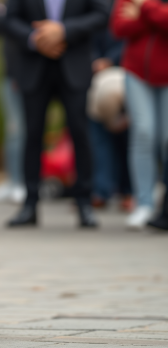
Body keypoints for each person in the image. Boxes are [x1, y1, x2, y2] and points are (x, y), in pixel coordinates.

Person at [5, 0, 109, 228]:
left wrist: (64, 30)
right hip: (33, 64)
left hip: (74, 63)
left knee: (80, 133)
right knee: (32, 135)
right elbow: (10, 19)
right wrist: (36, 38)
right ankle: (30, 203)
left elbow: (102, 14)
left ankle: (84, 203)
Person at [111, 0, 168, 230]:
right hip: (136, 73)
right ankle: (144, 202)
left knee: (166, 139)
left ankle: (163, 202)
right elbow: (119, 28)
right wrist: (156, 17)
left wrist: (143, 8)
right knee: (143, 133)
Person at [87, 18, 132, 212]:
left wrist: (110, 60)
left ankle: (129, 191)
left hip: (127, 75)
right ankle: (101, 189)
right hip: (96, 83)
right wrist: (96, 60)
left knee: (129, 142)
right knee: (98, 140)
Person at [0, 4, 26, 205]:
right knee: (15, 129)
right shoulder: (11, 10)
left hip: (24, 75)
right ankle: (14, 180)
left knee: (20, 129)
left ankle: (21, 182)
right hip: (10, 75)